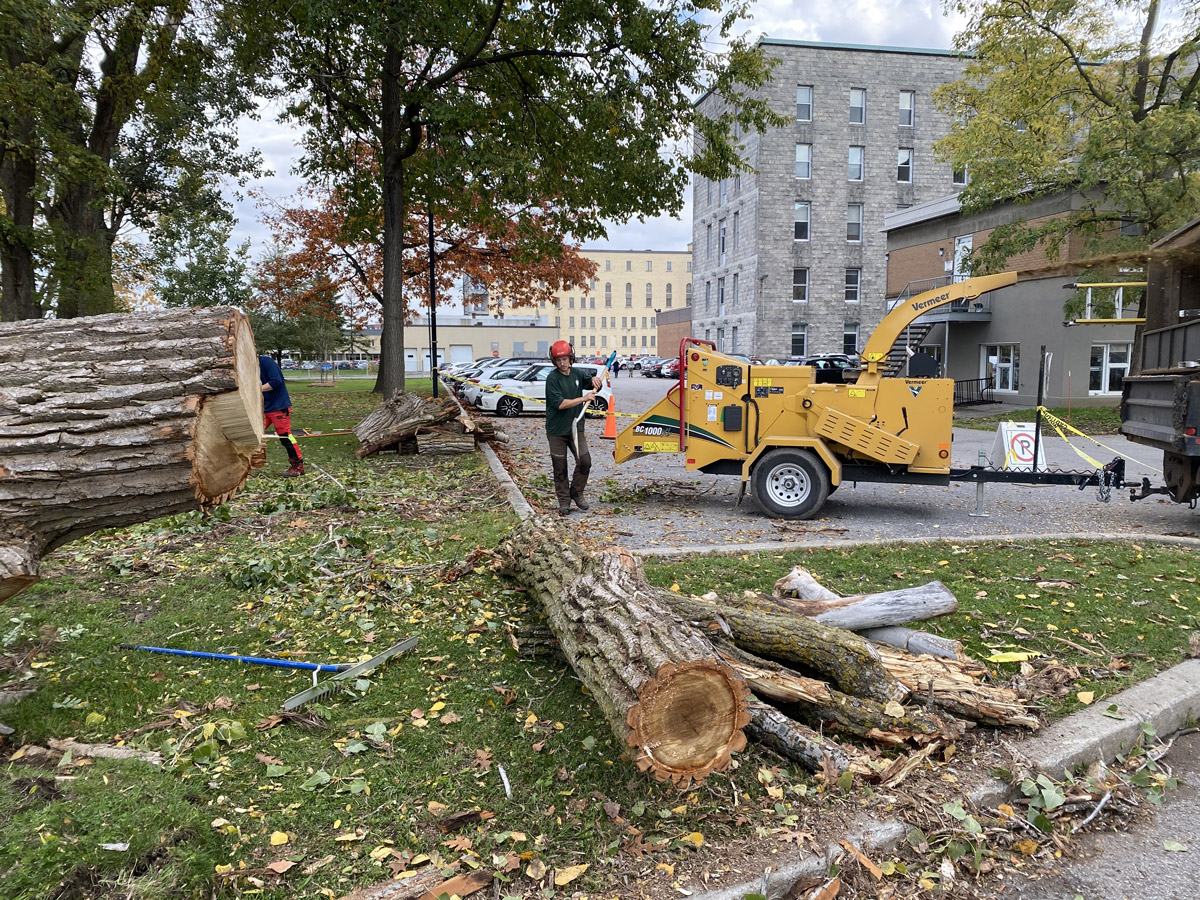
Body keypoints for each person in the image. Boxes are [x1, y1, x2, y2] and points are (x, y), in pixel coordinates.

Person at [545, 340, 603, 516]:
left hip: (576, 428)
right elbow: (561, 404)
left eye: (565, 359)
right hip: (557, 430)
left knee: (585, 462)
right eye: (559, 360)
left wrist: (596, 381)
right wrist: (583, 399)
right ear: (554, 361)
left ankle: (577, 493)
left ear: (571, 358)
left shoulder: (577, 374)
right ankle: (564, 501)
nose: (562, 363)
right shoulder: (552, 378)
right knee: (560, 468)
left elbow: (592, 385)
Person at [259, 354, 304, 477]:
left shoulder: (266, 362)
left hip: (278, 407)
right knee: (254, 433)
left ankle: (298, 465)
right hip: (263, 408)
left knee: (285, 437)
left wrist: (257, 388)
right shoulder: (248, 367)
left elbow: (276, 381)